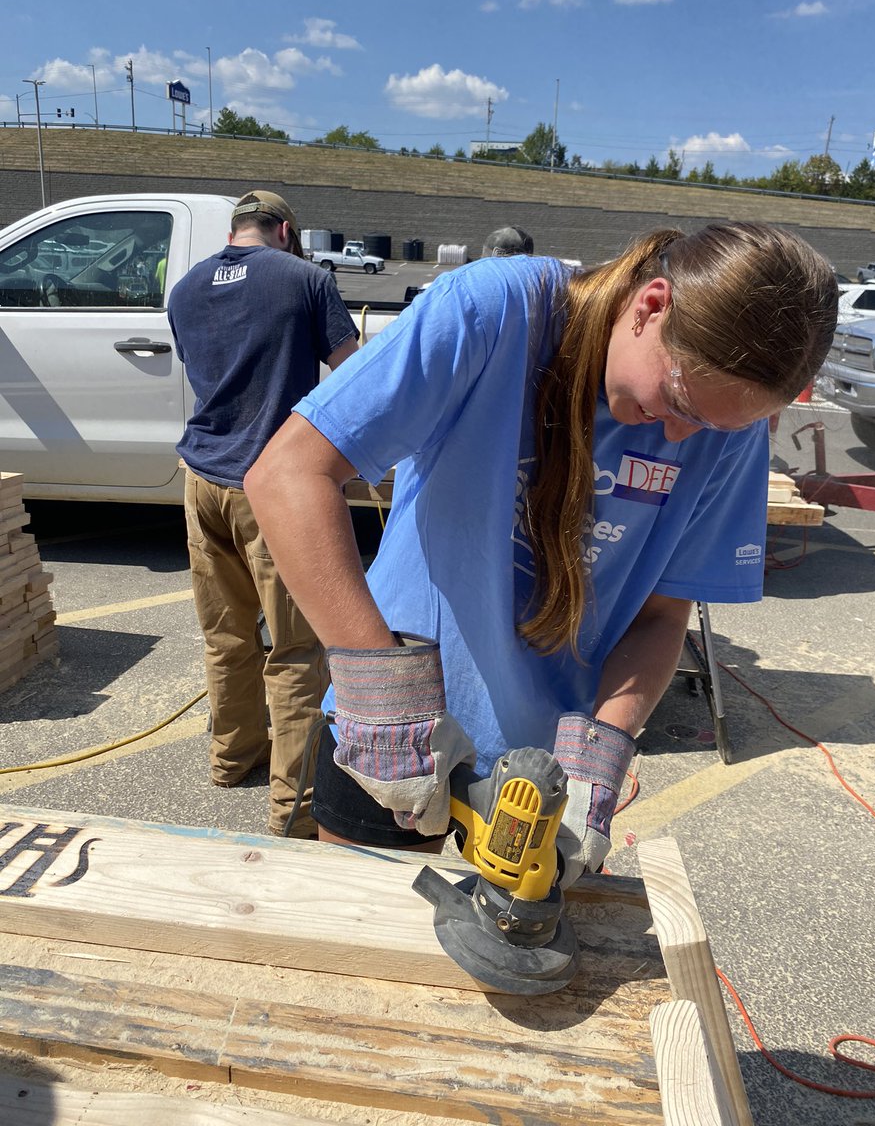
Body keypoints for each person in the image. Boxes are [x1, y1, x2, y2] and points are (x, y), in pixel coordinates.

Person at [244, 221, 837, 880]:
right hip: (395, 716)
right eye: (678, 402)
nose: (679, 435)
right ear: (651, 306)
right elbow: (289, 475)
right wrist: (381, 703)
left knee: (519, 936)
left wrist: (603, 747)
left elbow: (660, 616)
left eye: (712, 426)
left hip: (547, 760)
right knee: (366, 926)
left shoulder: (727, 428)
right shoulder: (497, 313)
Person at [167, 189, 358, 838]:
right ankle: (293, 810)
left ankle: (232, 758)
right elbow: (353, 376)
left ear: (235, 231)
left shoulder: (185, 290)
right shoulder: (306, 280)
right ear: (283, 231)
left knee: (226, 635)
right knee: (297, 650)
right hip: (271, 487)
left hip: (201, 480)